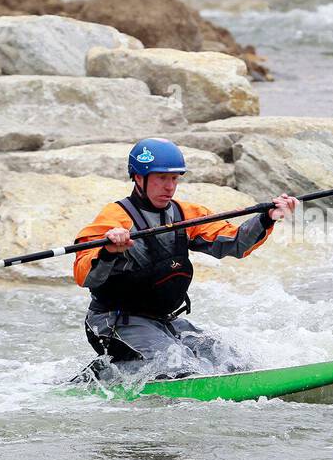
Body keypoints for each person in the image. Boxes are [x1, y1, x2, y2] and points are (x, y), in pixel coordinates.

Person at [72, 138, 298, 379]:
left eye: (174, 179)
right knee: (181, 367)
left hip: (162, 320)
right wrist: (108, 251)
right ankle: (102, 375)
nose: (169, 187)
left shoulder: (184, 214)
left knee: (230, 360)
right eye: (161, 178)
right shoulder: (114, 217)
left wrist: (267, 218)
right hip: (113, 323)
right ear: (139, 178)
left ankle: (126, 370)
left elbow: (234, 243)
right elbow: (84, 275)